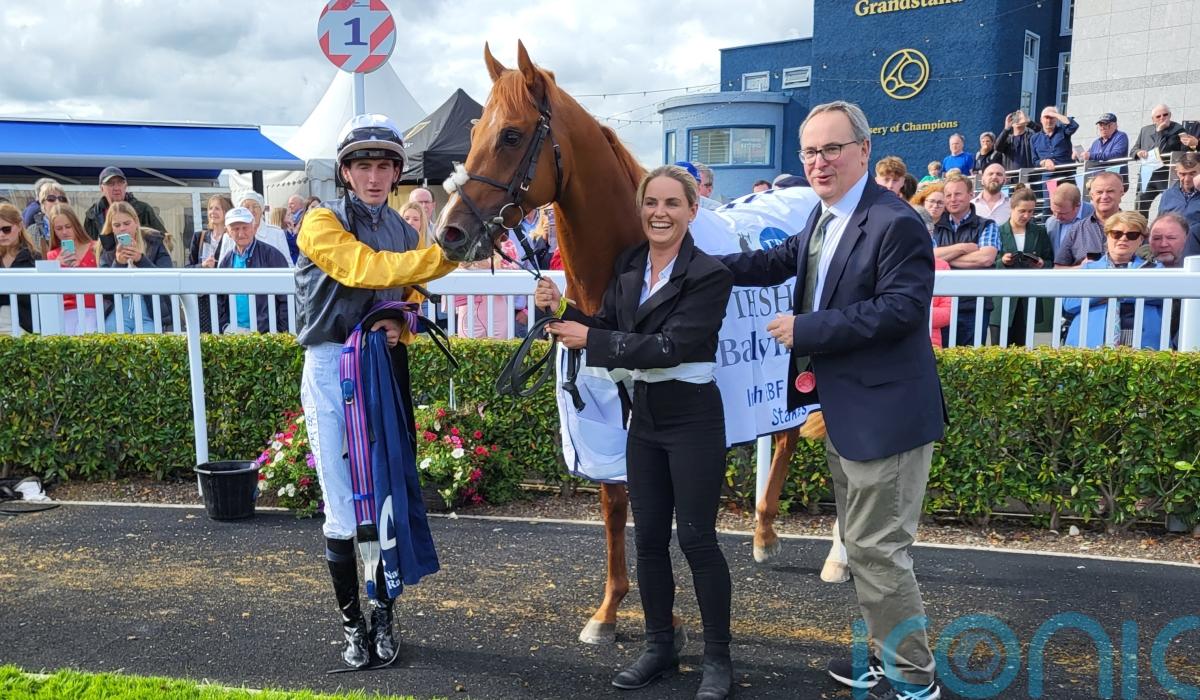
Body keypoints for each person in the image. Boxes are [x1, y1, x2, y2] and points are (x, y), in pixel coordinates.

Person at [717, 101, 944, 700]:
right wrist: (695, 264)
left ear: (864, 151)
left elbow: (902, 310)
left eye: (832, 149)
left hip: (885, 419)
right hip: (848, 413)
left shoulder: (895, 221)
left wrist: (807, 329)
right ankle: (888, 658)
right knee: (865, 548)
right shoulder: (824, 216)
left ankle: (914, 681)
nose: (820, 162)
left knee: (877, 551)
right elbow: (773, 261)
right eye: (811, 152)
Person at [535, 164, 736, 700]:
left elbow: (671, 347)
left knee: (696, 540)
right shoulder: (630, 265)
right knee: (647, 540)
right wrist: (564, 311)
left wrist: (592, 341)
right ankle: (658, 645)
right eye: (651, 202)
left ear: (692, 210)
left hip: (693, 418)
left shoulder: (710, 274)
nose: (659, 213)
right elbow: (609, 329)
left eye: (672, 203)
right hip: (644, 418)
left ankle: (718, 658)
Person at [295, 113, 457, 671]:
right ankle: (352, 624)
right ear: (345, 171)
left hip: (381, 371)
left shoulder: (404, 231)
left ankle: (384, 614)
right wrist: (449, 252)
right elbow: (363, 269)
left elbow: (409, 298)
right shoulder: (319, 222)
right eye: (363, 166)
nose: (373, 177)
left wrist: (400, 325)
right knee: (342, 506)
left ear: (395, 173)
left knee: (385, 493)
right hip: (329, 367)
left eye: (384, 166)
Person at [1064, 211, 1163, 348]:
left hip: (1143, 346)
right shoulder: (1088, 269)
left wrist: (1115, 293)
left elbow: (1161, 297)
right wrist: (1104, 294)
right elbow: (1069, 303)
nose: (1123, 239)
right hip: (1091, 344)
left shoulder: (1154, 269)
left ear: (1140, 240)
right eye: (1116, 233)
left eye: (1132, 235)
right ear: (1107, 236)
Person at [933, 173, 999, 346]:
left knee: (972, 359)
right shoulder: (934, 227)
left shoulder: (987, 225)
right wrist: (962, 248)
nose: (952, 199)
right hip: (941, 307)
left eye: (958, 194)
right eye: (948, 195)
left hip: (975, 306)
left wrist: (944, 259)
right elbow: (928, 257)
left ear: (971, 195)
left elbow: (985, 258)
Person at [991, 187, 1053, 347]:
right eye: (1022, 211)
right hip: (1002, 297)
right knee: (998, 348)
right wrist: (1002, 261)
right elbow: (988, 262)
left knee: (1023, 348)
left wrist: (1041, 264)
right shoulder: (998, 231)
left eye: (1031, 211)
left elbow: (1050, 261)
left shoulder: (1039, 232)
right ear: (1011, 208)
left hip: (1028, 296)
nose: (1026, 215)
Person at [99, 201, 175, 333]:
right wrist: (119, 264)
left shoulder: (154, 242)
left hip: (150, 308)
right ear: (112, 228)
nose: (122, 228)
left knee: (147, 337)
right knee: (111, 332)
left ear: (136, 222)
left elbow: (165, 277)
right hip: (119, 308)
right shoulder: (107, 248)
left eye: (127, 223)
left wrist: (141, 260)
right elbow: (106, 290)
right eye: (117, 225)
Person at [216, 207, 290, 333]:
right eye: (235, 229)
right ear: (228, 232)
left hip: (266, 333)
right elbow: (220, 299)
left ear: (254, 228)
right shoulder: (226, 261)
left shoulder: (271, 255)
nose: (241, 233)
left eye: (245, 228)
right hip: (233, 332)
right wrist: (224, 326)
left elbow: (286, 297)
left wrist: (280, 330)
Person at [43, 204, 101, 334]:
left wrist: (81, 267)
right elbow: (48, 289)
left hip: (93, 308)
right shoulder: (52, 256)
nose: (64, 232)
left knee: (88, 332)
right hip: (65, 311)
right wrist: (55, 266)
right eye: (59, 228)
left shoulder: (96, 248)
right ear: (53, 231)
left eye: (68, 226)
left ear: (76, 225)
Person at [83, 166, 167, 247]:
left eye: (120, 183)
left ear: (125, 185)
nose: (116, 188)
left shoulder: (143, 210)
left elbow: (164, 241)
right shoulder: (93, 215)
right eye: (111, 184)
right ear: (101, 188)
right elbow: (86, 247)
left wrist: (142, 250)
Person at [1130, 105, 1188, 217]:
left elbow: (1160, 150)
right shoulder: (1145, 130)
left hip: (1166, 175)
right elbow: (1133, 150)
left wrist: (1160, 131)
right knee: (1140, 205)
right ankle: (1139, 227)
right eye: (1158, 116)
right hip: (1147, 175)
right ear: (1153, 119)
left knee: (1168, 206)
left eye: (1165, 115)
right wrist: (1138, 152)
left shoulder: (1178, 129)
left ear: (1170, 115)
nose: (1162, 118)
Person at [0, 203, 39, 334]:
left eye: (6, 229)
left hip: (25, 325)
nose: (1, 234)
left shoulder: (33, 258)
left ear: (20, 226)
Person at [1049, 183, 1104, 266]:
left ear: (1077, 205)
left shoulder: (1096, 215)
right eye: (1053, 212)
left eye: (1062, 213)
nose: (1056, 217)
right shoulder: (1050, 223)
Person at [238, 192, 292, 265]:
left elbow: (288, 264)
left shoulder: (277, 234)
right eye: (247, 207)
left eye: (255, 206)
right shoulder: (231, 236)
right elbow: (224, 268)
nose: (251, 210)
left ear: (261, 210)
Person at [188, 194, 235, 268]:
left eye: (217, 208)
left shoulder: (232, 238)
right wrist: (202, 265)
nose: (212, 212)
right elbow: (188, 268)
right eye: (210, 208)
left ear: (226, 212)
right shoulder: (199, 237)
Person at [1157, 152, 1199, 228]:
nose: (1187, 179)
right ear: (1177, 172)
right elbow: (1159, 225)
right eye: (1182, 174)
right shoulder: (1168, 195)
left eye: (1192, 173)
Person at [28, 181, 70, 253]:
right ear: (43, 204)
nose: (57, 202)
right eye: (51, 198)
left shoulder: (74, 227)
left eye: (61, 199)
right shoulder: (32, 231)